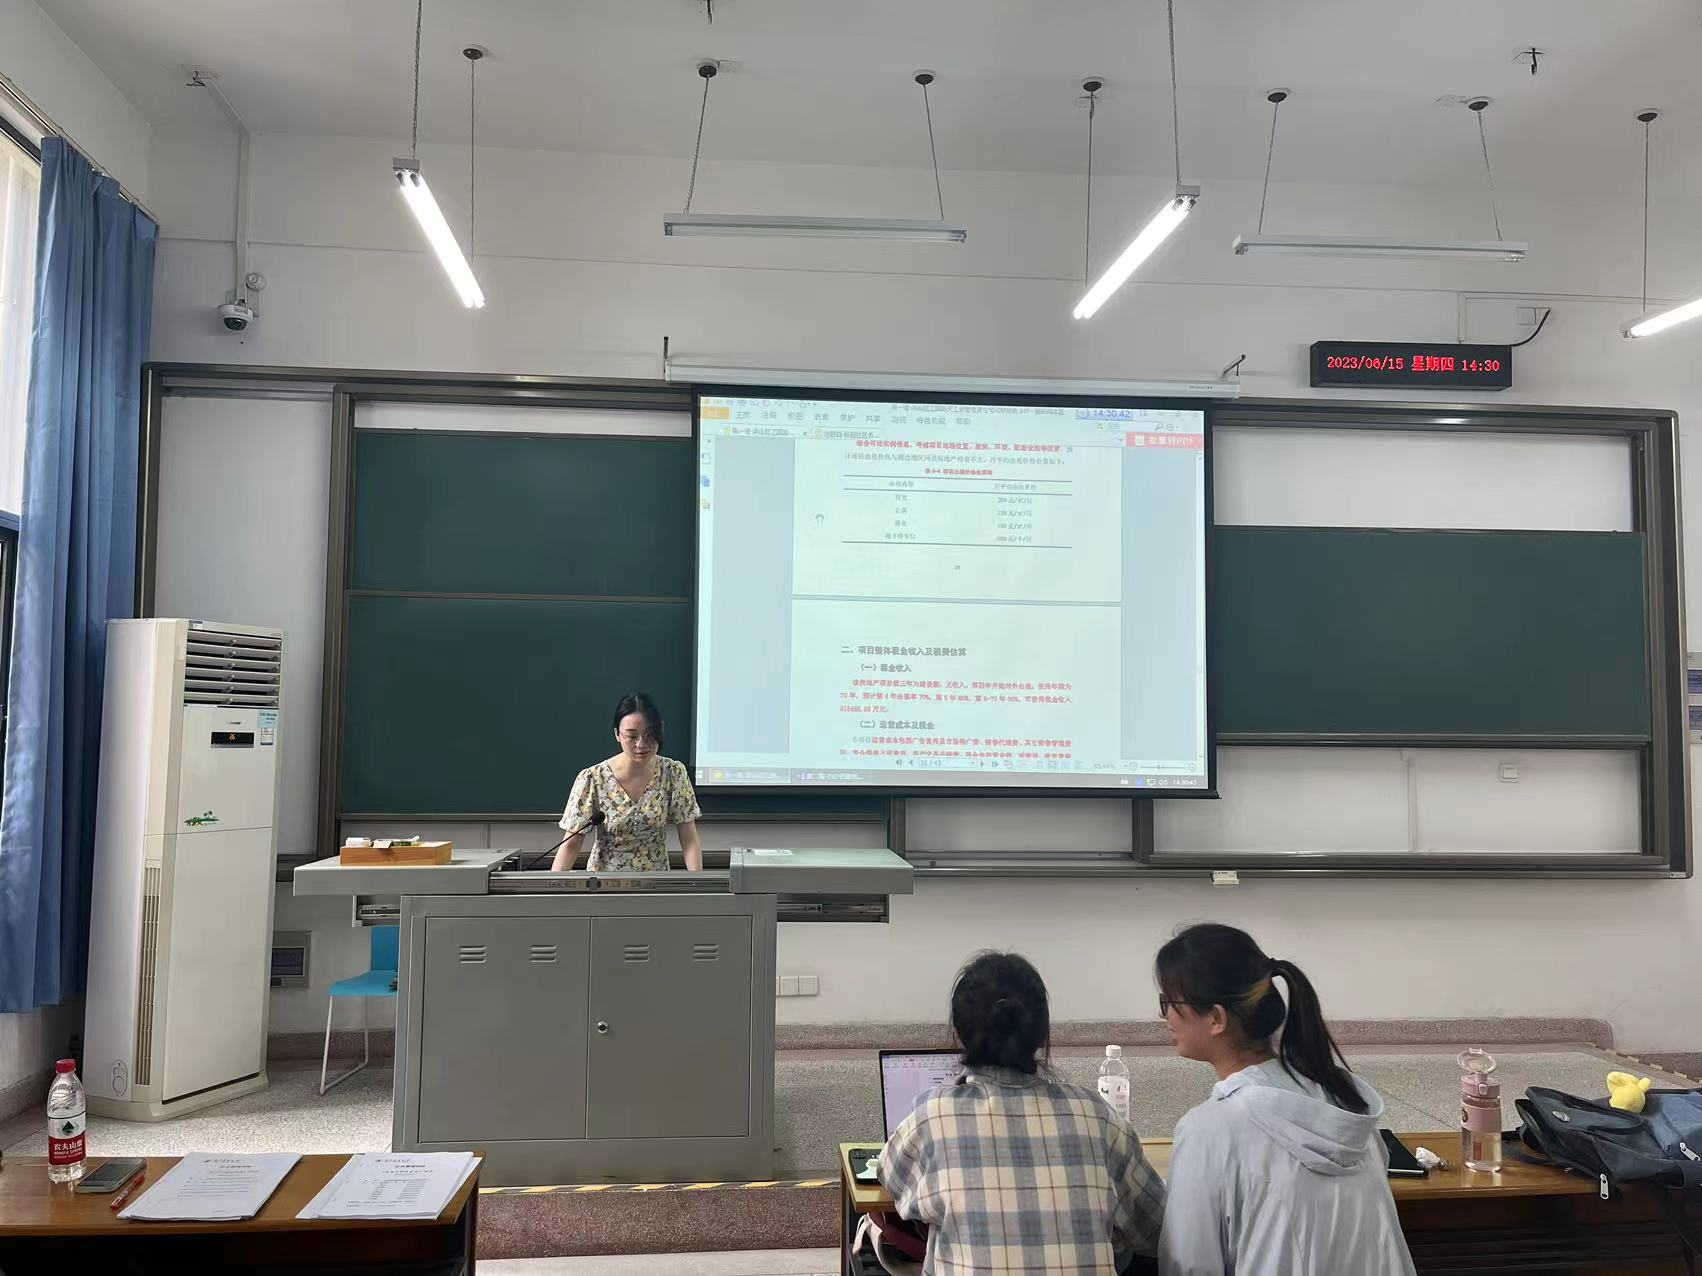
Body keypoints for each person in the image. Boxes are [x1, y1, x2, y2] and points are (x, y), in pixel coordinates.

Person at [877, 951, 1165, 1275]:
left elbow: (890, 1178)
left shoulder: (932, 1117)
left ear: (957, 1033)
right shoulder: (1097, 1116)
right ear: (1043, 1033)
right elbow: (1155, 1228)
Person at [1154, 923, 1415, 1276]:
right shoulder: (1342, 1100)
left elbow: (1188, 1266)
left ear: (1216, 1018)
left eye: (1169, 1003)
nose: (1165, 1017)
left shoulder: (1208, 1130)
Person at [552, 692, 702, 871]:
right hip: (603, 881)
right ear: (617, 734)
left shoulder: (673, 773)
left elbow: (689, 839)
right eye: (632, 736)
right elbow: (571, 844)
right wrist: (553, 885)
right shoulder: (593, 778)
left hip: (656, 881)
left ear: (660, 729)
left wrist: (697, 882)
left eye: (650, 734)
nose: (641, 744)